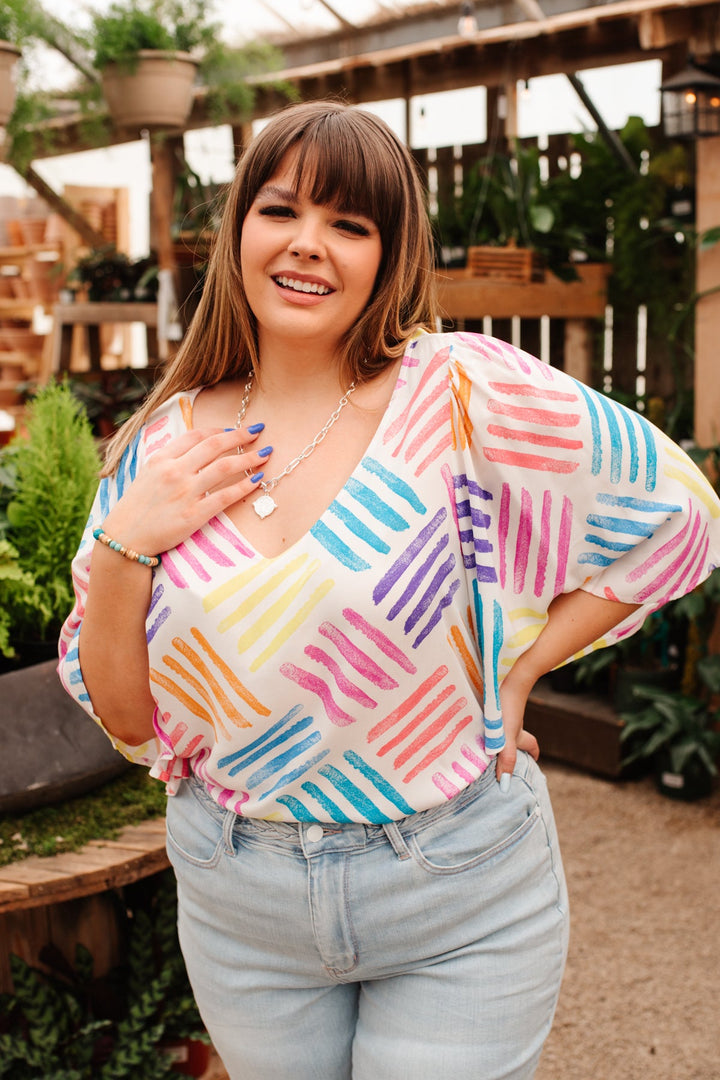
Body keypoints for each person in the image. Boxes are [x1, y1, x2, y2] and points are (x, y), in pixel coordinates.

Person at [58, 100, 720, 1080]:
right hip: (240, 904)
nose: (308, 243)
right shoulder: (162, 446)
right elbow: (127, 720)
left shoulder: (458, 393)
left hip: (456, 886)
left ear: (388, 255)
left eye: (350, 224)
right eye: (281, 210)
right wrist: (126, 544)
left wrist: (522, 668)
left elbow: (678, 512)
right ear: (239, 228)